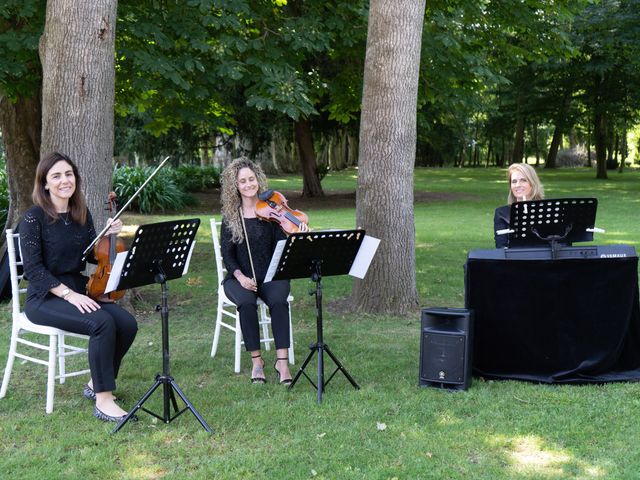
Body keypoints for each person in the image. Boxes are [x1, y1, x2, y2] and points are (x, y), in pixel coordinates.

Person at [20, 152, 138, 422]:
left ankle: (95, 383)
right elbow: (33, 270)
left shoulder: (80, 215)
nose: (65, 180)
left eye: (69, 174)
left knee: (127, 324)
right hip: (44, 298)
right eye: (57, 176)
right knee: (102, 323)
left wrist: (108, 238)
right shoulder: (33, 218)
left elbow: (92, 257)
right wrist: (68, 294)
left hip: (79, 292)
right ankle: (104, 400)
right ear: (45, 183)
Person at [219, 157, 308, 384]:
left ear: (257, 180)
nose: (249, 184)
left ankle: (282, 363)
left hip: (271, 274)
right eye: (242, 181)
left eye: (251, 179)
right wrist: (240, 277)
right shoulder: (231, 217)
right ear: (235, 186)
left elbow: (281, 243)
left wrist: (294, 232)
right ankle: (257, 361)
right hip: (239, 277)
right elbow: (227, 255)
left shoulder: (271, 210)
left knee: (279, 300)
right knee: (246, 303)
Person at [493, 163, 545, 248]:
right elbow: (501, 247)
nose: (517, 185)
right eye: (514, 181)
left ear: (532, 184)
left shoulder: (546, 209)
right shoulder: (501, 213)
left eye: (523, 180)